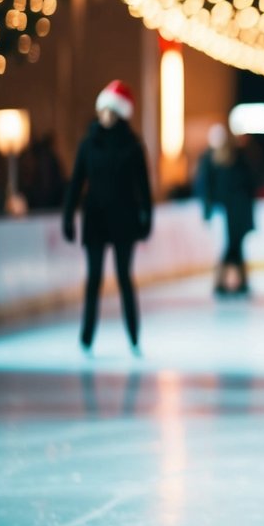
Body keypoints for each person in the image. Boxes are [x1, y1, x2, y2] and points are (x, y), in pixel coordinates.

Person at [61, 80, 153, 354]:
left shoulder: (133, 146)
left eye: (113, 111)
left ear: (121, 114)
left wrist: (147, 219)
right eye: (104, 110)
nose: (107, 115)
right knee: (94, 279)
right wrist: (68, 216)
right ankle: (86, 337)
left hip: (124, 219)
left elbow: (143, 188)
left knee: (125, 277)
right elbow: (76, 182)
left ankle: (134, 336)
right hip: (96, 218)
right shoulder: (89, 144)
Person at [196, 123, 257, 296]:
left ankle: (239, 282)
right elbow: (204, 187)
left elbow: (249, 184)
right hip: (222, 213)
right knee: (224, 250)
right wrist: (208, 210)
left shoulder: (238, 158)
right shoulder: (209, 160)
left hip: (236, 214)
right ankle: (223, 282)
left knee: (235, 249)